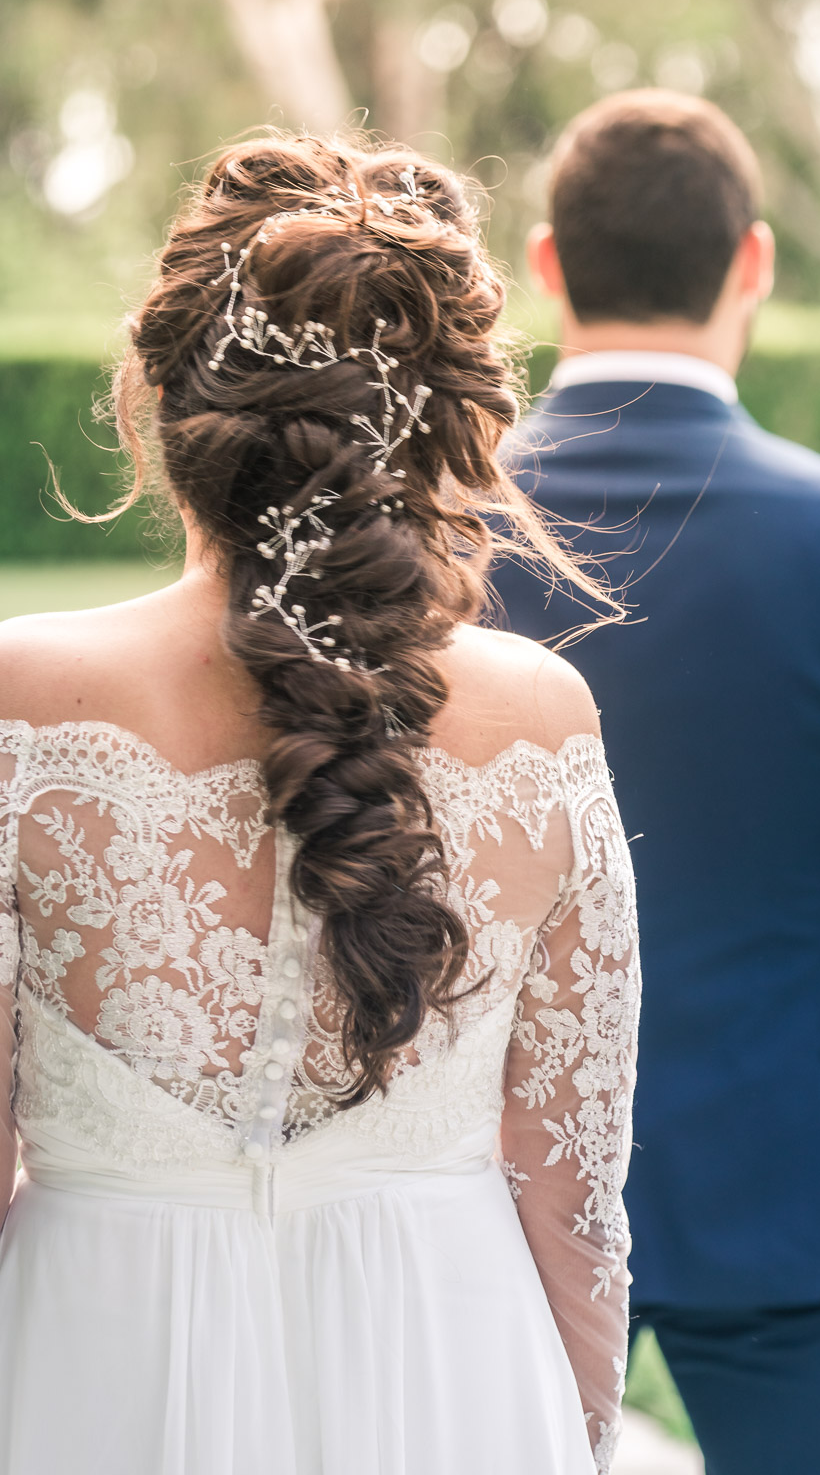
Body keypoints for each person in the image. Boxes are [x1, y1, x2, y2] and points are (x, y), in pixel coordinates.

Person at [0, 133, 640, 1475]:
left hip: (88, 1370)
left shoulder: (20, 704)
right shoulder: (541, 721)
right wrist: (572, 1429)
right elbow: (571, 1194)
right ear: (448, 427)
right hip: (454, 1373)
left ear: (162, 411)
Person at [491, 90, 820, 1475]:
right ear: (757, 262)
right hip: (811, 1179)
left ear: (548, 263)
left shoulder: (424, 541)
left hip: (479, 1185)